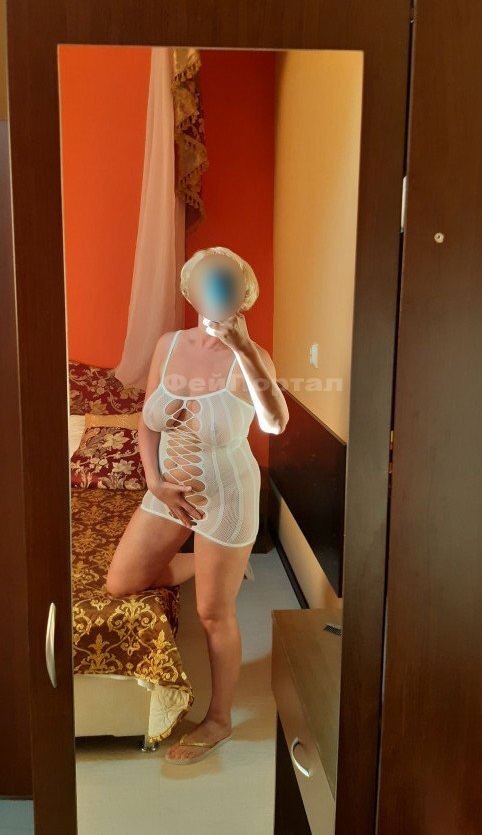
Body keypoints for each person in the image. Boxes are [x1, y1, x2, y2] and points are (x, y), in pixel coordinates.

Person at [105, 246, 289, 763]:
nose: (217, 289)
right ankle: (216, 568)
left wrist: (244, 349)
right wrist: (155, 482)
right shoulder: (168, 344)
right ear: (191, 291)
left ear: (244, 292)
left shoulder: (251, 358)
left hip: (226, 496)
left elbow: (275, 423)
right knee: (121, 582)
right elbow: (147, 421)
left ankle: (220, 719)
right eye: (207, 280)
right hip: (167, 491)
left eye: (227, 280)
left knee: (213, 613)